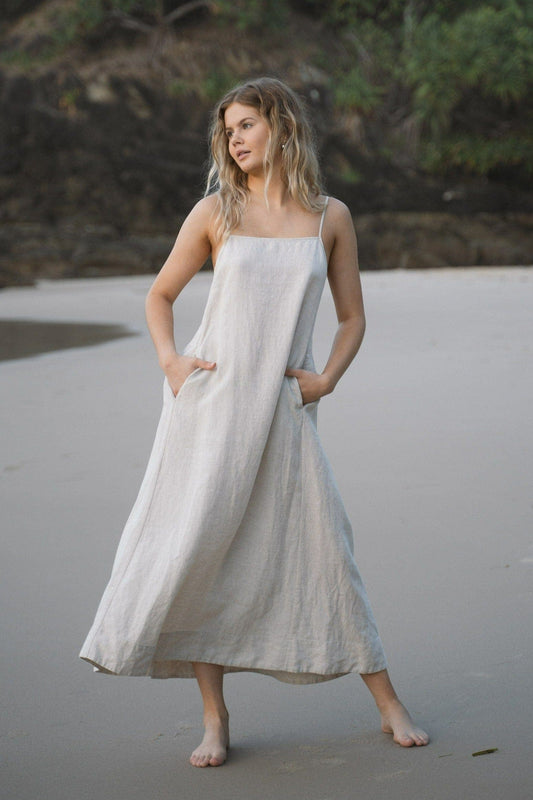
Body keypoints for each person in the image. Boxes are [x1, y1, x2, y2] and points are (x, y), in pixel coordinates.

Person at [79, 76, 429, 768]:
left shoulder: (329, 216)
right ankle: (214, 720)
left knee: (326, 549)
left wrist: (324, 379)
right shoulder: (215, 211)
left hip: (281, 411)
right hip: (208, 410)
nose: (235, 139)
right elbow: (160, 294)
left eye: (247, 125)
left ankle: (389, 703)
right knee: (204, 550)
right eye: (228, 130)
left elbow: (353, 317)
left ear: (282, 126)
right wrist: (171, 362)